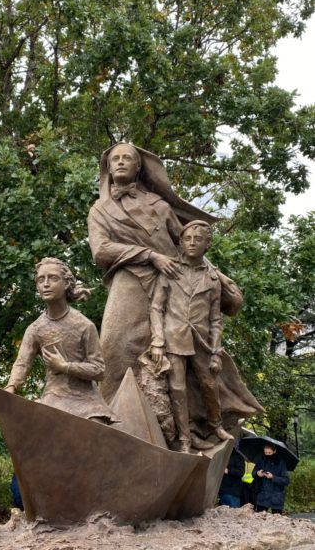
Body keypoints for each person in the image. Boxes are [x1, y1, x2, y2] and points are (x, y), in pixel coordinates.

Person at [88, 142, 262, 447]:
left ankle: (184, 430)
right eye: (115, 159)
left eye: (127, 158)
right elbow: (101, 251)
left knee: (182, 360)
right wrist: (149, 255)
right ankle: (104, 428)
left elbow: (187, 247)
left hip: (174, 285)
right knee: (113, 349)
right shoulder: (100, 210)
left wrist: (218, 278)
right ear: (108, 168)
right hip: (129, 283)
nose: (121, 162)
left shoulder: (159, 206)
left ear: (139, 167)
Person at [147, 220, 233, 452]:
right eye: (187, 239)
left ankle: (216, 425)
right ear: (181, 243)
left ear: (207, 245)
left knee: (209, 384)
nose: (192, 243)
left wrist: (216, 352)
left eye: (198, 239)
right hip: (173, 337)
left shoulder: (213, 278)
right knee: (177, 389)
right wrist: (157, 341)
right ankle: (185, 439)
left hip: (202, 342)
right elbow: (156, 307)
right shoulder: (170, 271)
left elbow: (216, 319)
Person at [5, 257, 117, 424]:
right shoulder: (35, 329)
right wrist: (11, 387)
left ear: (66, 284)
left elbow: (99, 370)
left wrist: (65, 366)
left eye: (53, 278)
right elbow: (22, 363)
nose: (46, 284)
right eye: (40, 280)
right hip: (54, 396)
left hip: (86, 400)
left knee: (95, 427)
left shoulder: (84, 325)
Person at [252, 443, 289, 513]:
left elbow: (286, 481)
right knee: (259, 518)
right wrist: (257, 473)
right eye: (266, 453)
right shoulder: (261, 460)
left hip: (276, 498)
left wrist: (273, 477)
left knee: (276, 518)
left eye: (269, 453)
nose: (267, 454)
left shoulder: (281, 462)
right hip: (262, 496)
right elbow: (253, 473)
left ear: (274, 451)